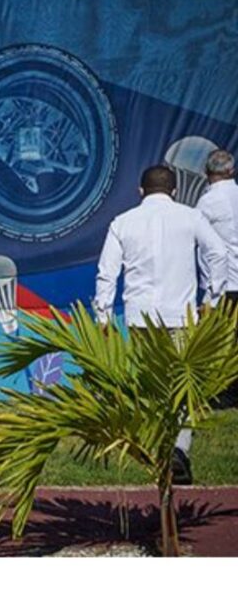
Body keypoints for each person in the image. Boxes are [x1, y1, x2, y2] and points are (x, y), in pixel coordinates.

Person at [94, 164, 228, 484]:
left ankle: (159, 448)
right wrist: (212, 297)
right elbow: (219, 253)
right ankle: (179, 449)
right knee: (183, 383)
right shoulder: (192, 217)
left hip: (141, 317)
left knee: (151, 385)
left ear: (140, 191)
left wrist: (103, 316)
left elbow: (107, 272)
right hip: (180, 316)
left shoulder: (123, 222)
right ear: (176, 191)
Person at [196, 149, 238, 308]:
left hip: (222, 285)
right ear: (231, 171)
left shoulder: (209, 201)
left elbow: (196, 237)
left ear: (206, 171)